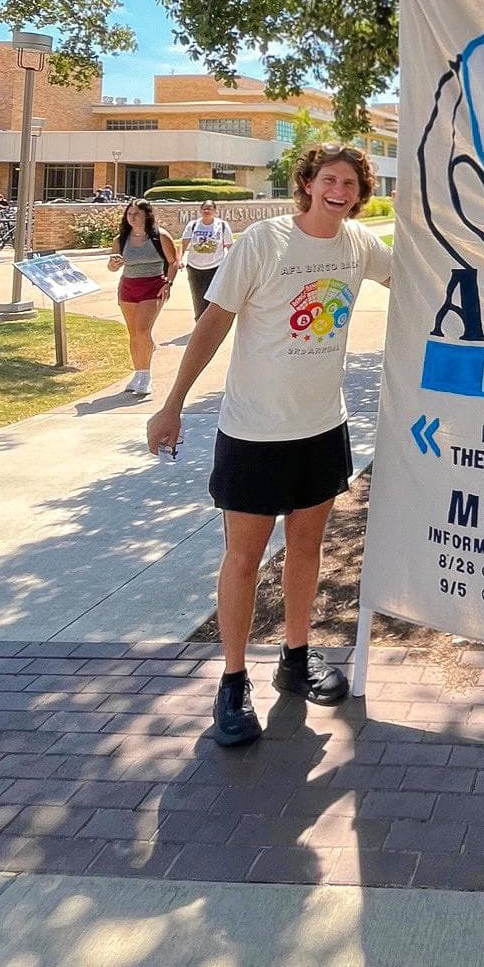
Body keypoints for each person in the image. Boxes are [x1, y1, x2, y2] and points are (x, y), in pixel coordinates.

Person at [146, 144, 392, 748]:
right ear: (307, 183)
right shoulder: (264, 241)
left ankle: (295, 657)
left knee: (306, 549)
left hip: (322, 428)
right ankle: (232, 681)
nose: (338, 191)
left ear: (360, 193)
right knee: (244, 558)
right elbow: (213, 322)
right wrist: (173, 403)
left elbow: (420, 281)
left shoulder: (359, 244)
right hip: (254, 431)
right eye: (328, 179)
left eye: (350, 184)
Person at [107, 199, 179, 397]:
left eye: (137, 213)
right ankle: (138, 372)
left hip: (153, 286)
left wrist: (169, 283)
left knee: (142, 330)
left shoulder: (159, 236)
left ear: (147, 215)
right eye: (129, 214)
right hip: (128, 287)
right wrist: (114, 264)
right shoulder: (121, 239)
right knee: (133, 333)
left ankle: (146, 376)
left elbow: (173, 262)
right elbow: (112, 266)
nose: (132, 217)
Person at [180, 200, 235, 321]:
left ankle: (210, 323)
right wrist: (180, 259)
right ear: (200, 211)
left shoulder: (222, 226)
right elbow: (183, 244)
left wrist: (232, 265)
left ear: (215, 211)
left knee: (212, 298)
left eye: (210, 208)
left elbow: (230, 247)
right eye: (204, 208)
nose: (207, 211)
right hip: (194, 268)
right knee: (198, 298)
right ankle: (199, 322)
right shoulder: (193, 225)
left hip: (215, 267)